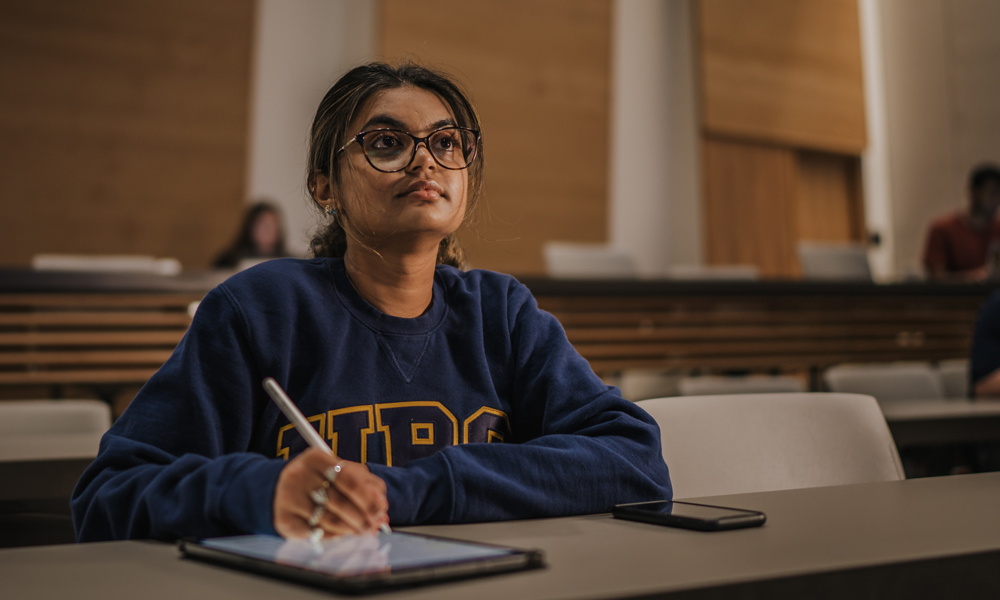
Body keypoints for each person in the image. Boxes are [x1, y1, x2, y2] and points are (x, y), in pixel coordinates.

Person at [71, 62, 672, 542]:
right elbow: (107, 494)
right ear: (324, 186)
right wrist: (258, 490)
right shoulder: (261, 309)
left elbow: (634, 461)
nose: (423, 160)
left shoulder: (502, 312)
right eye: (386, 142)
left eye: (445, 142)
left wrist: (410, 491)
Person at [922, 164, 1000, 281]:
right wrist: (975, 277)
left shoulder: (997, 227)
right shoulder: (943, 228)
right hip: (955, 298)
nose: (997, 199)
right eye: (992, 192)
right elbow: (934, 277)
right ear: (974, 191)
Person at [213, 201, 288, 269]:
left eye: (274, 225)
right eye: (265, 226)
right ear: (250, 226)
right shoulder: (229, 261)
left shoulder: (286, 262)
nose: (271, 231)